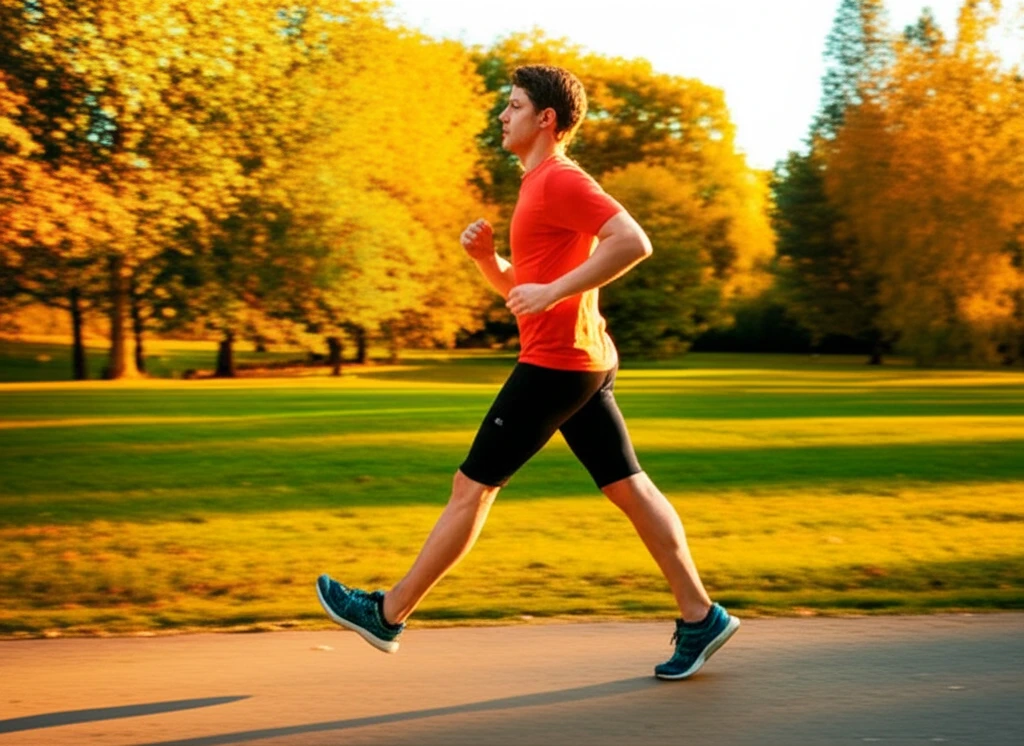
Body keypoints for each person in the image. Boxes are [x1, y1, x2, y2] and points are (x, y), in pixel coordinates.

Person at [317, 64, 739, 680]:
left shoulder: (560, 179)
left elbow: (633, 240)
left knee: (473, 488)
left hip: (556, 365)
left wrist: (555, 292)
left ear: (546, 119)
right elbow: (526, 292)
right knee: (630, 488)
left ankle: (389, 612)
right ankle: (701, 616)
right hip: (580, 360)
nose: (502, 115)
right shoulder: (536, 184)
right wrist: (489, 262)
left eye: (513, 106)